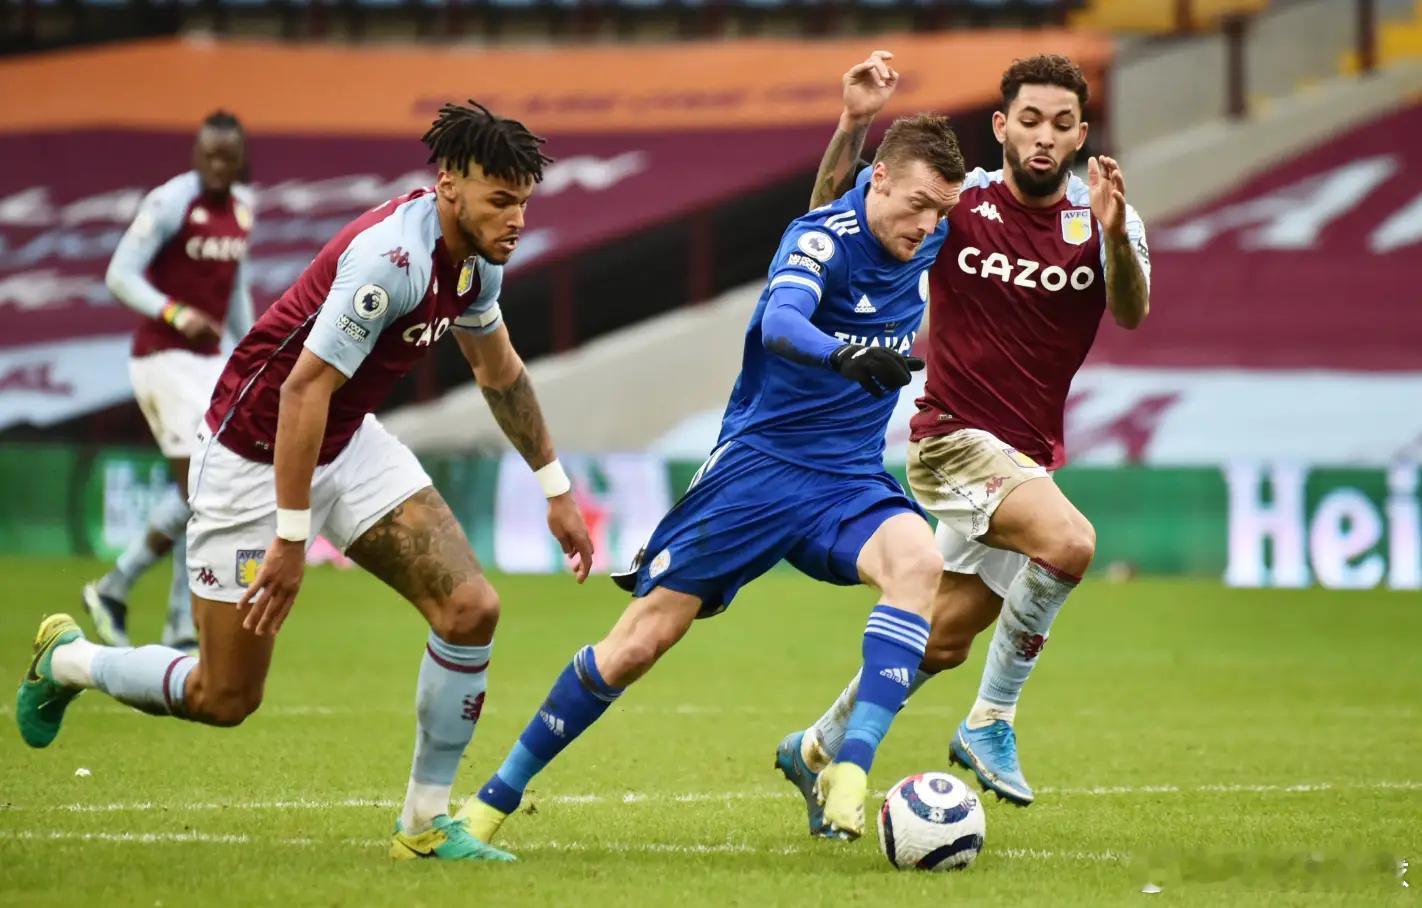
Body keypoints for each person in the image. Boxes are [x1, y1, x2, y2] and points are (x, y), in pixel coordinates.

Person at [16, 100, 594, 863]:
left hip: (346, 441)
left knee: (470, 609)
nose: (515, 219)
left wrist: (555, 488)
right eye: (500, 200)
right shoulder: (391, 261)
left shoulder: (478, 263)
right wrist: (291, 540)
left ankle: (424, 825)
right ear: (449, 186)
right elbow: (301, 391)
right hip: (253, 455)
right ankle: (68, 661)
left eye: (523, 202)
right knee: (225, 696)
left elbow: (500, 372)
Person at [455, 114, 967, 843]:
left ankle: (847, 766)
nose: (928, 224)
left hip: (847, 479)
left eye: (941, 210)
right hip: (756, 472)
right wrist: (844, 356)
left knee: (919, 564)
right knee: (638, 644)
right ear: (878, 179)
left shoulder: (930, 231)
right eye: (918, 204)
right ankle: (490, 803)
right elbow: (778, 324)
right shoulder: (820, 240)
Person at [776, 51, 1152, 833]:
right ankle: (991, 721)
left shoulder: (1103, 215)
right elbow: (832, 217)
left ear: (1081, 134)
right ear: (1001, 126)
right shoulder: (960, 205)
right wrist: (853, 125)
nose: (1044, 136)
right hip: (951, 441)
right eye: (1029, 120)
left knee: (942, 639)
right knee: (1071, 544)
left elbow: (1130, 310)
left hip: (1023, 461)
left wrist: (1116, 236)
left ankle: (814, 749)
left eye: (1060, 123)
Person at [82, 111, 256, 652]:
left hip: (207, 363)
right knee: (201, 486)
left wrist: (253, 354)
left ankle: (177, 630)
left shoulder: (242, 209)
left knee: (205, 491)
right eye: (210, 155)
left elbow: (234, 291)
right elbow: (119, 275)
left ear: (241, 159)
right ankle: (118, 588)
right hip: (164, 359)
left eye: (228, 157)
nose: (218, 166)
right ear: (196, 154)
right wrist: (176, 313)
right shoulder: (171, 202)